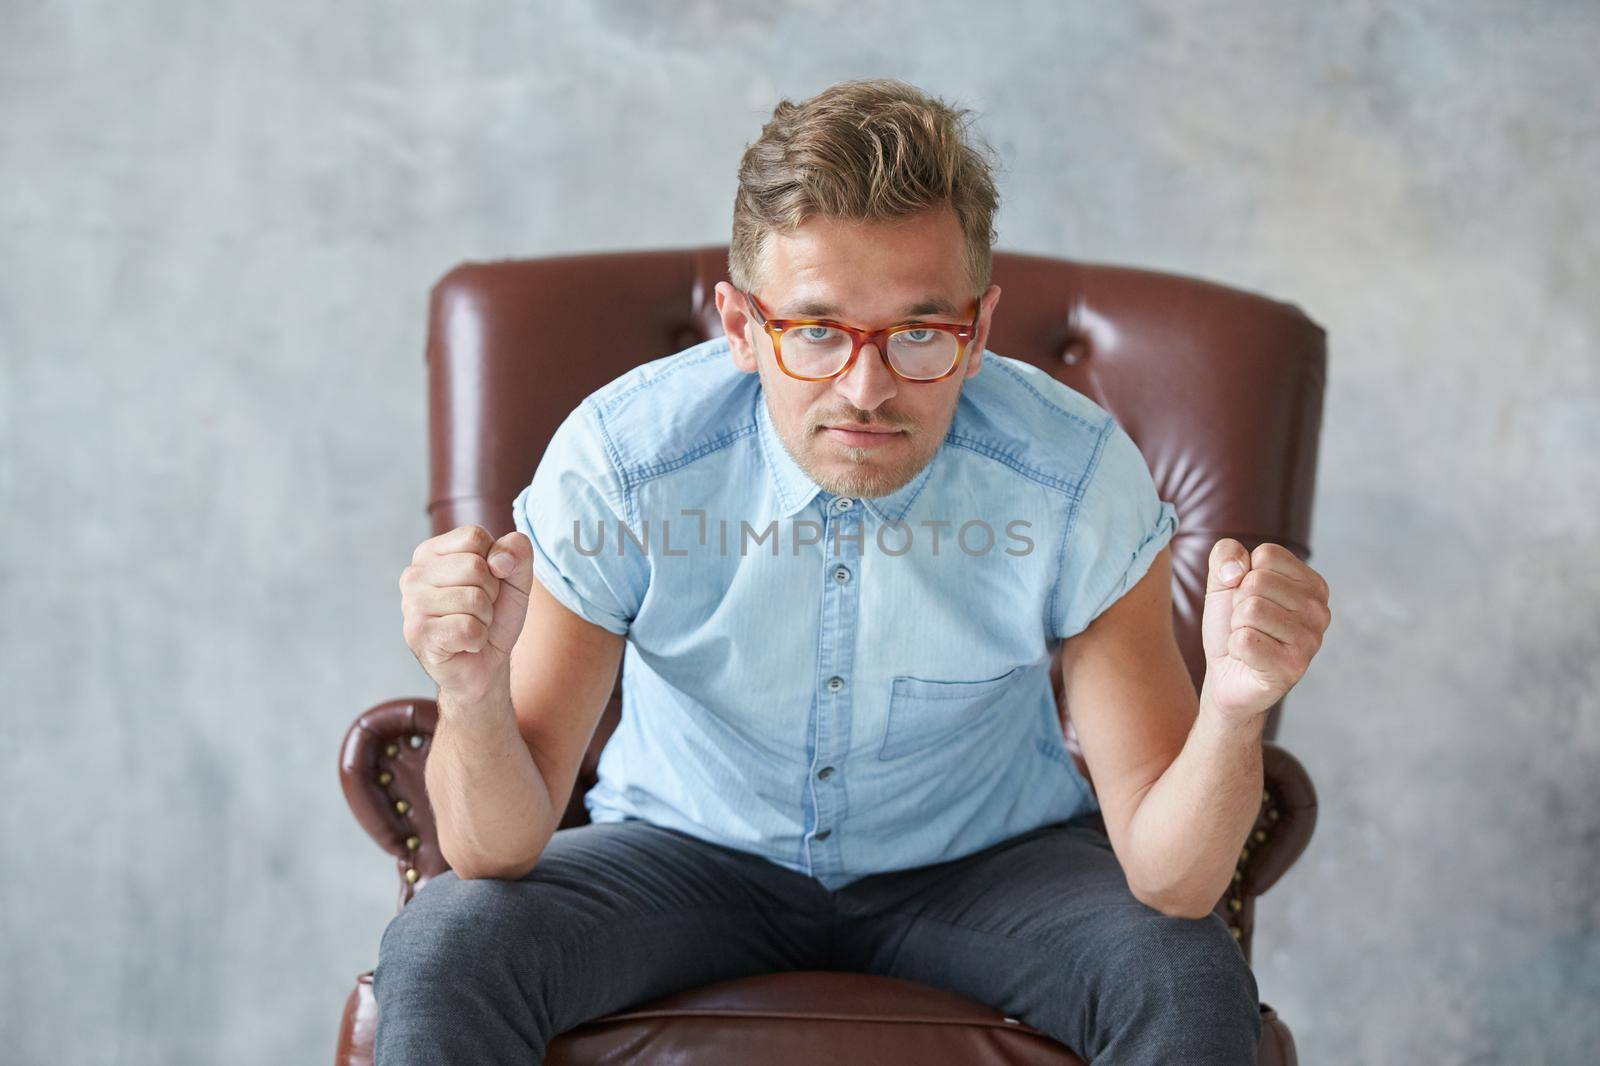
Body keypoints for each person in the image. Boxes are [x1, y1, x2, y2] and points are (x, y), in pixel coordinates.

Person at [377, 77, 1332, 1065]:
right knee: (449, 948)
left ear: (980, 328)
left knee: (1181, 974)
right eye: (817, 330)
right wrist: (471, 691)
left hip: (987, 868)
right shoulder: (624, 464)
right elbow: (494, 845)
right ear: (742, 327)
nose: (867, 389)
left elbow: (1171, 882)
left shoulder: (1073, 474)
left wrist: (1234, 706)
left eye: (921, 332)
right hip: (680, 856)